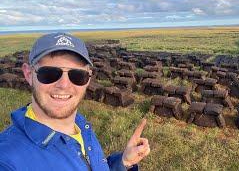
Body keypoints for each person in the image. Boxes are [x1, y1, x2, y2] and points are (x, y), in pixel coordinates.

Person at [0, 33, 150, 170]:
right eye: (49, 73)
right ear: (28, 74)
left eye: (77, 75)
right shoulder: (8, 160)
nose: (64, 85)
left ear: (89, 78)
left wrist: (123, 163)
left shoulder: (80, 125)